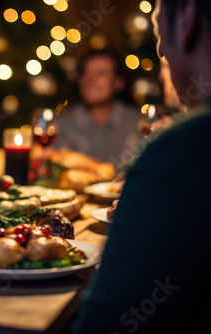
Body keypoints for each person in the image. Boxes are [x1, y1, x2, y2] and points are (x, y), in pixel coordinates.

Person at [71, 0, 211, 332]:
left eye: (159, 23)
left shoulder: (183, 150)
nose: (161, 48)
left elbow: (104, 326)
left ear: (187, 16)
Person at [52, 49, 141, 165]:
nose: (89, 79)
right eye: (85, 72)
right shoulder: (61, 126)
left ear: (118, 83)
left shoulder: (138, 124)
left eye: (100, 73)